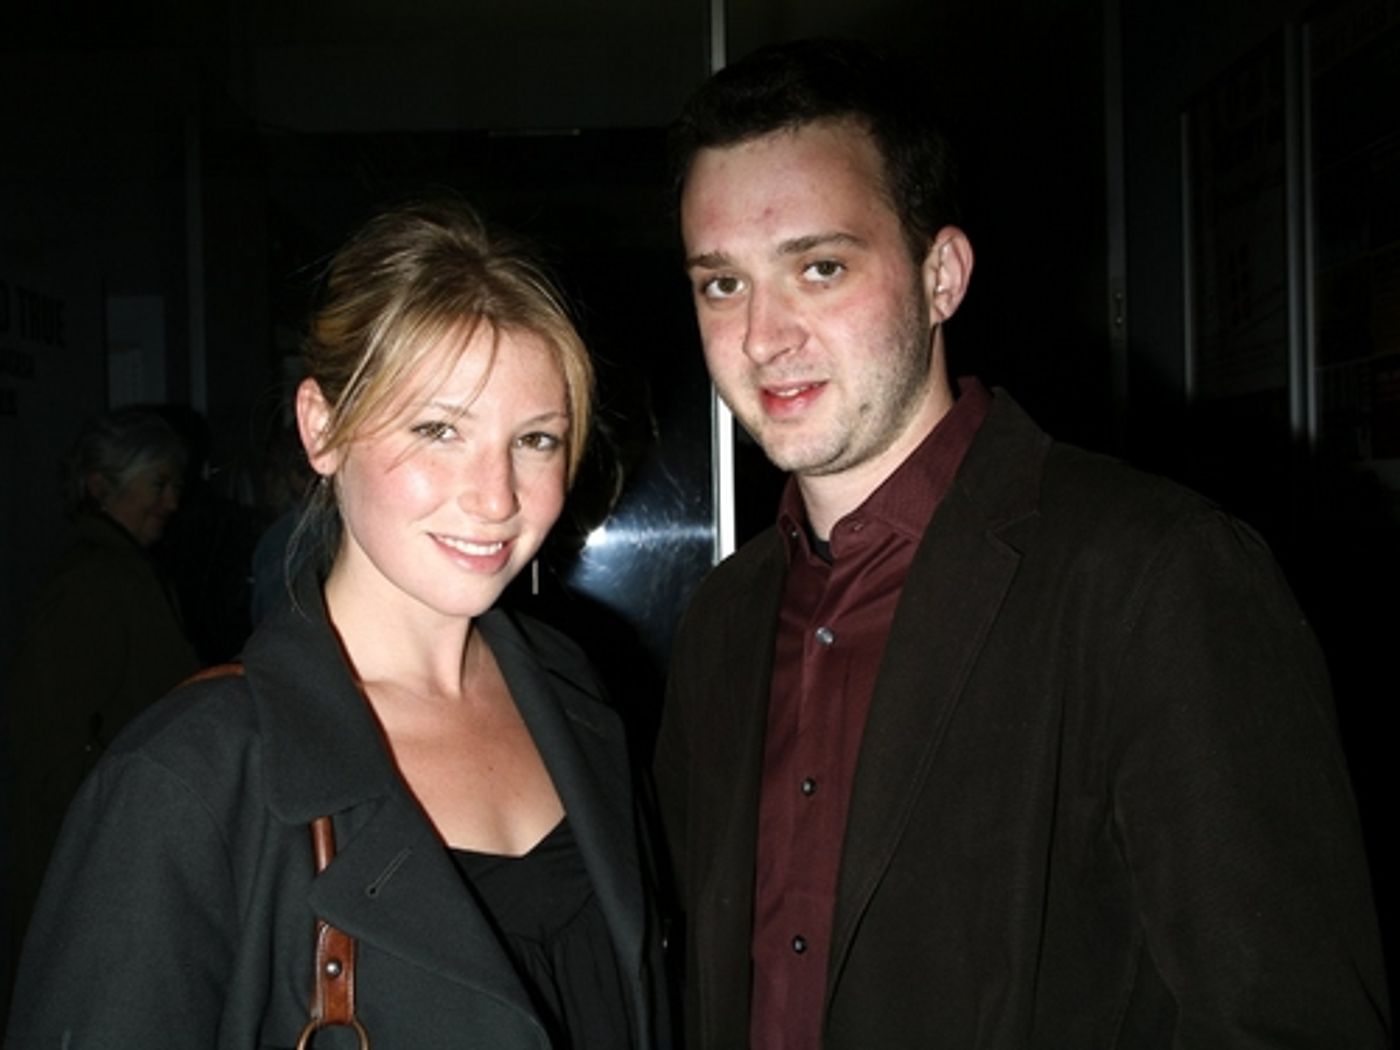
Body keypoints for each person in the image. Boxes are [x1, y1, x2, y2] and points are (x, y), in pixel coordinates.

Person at [653, 38, 1390, 1049]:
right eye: (721, 284)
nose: (762, 336)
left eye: (819, 269)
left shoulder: (1156, 575)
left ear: (941, 276)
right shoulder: (721, 619)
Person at [7, 200, 669, 1048]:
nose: (496, 496)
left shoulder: (577, 695)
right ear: (321, 429)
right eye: (439, 429)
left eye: (536, 440)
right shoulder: (188, 780)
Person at [5, 407, 198, 958]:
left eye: (174, 485)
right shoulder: (93, 581)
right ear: (100, 486)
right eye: (157, 484)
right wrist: (114, 827)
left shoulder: (123, 571)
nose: (171, 502)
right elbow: (49, 734)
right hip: (94, 855)